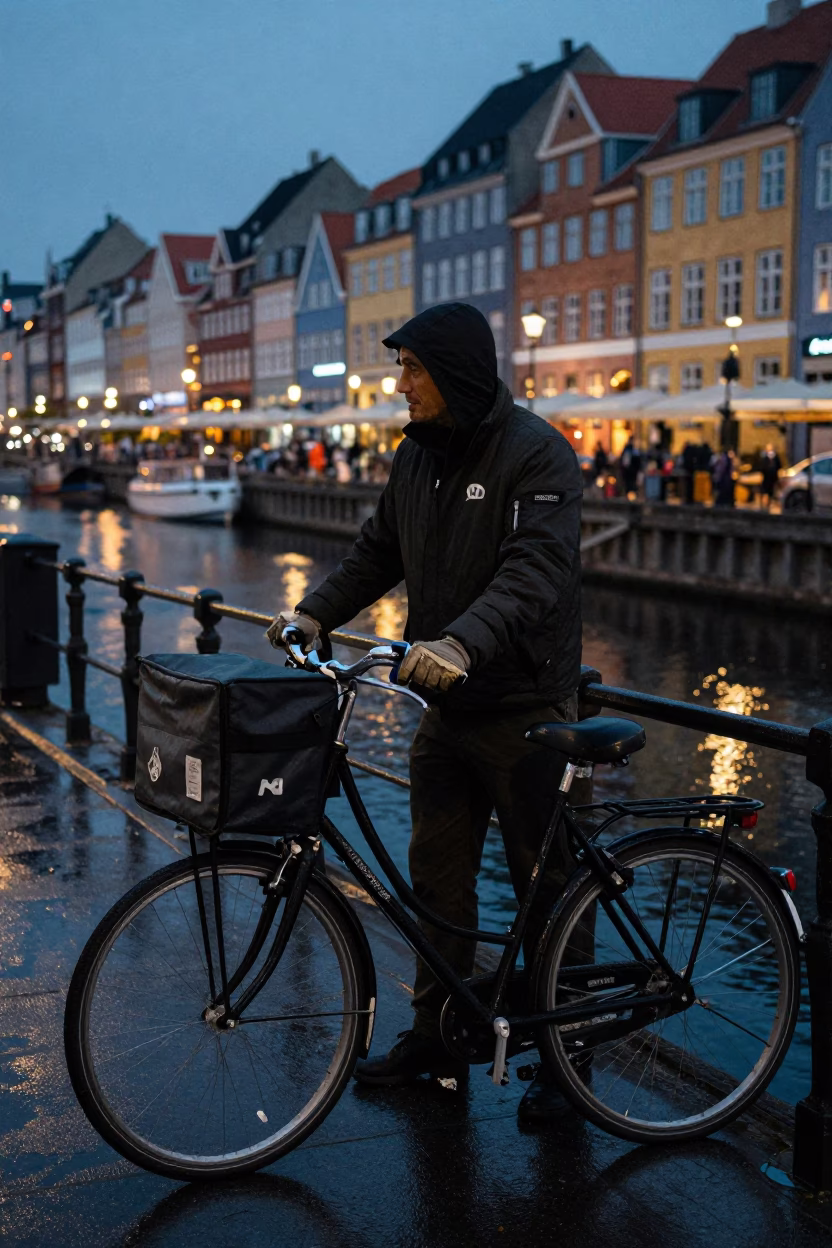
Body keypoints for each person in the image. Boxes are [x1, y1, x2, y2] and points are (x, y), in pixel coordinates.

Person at [268, 302, 584, 1125]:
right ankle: (436, 1037)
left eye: (411, 369)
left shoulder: (537, 454)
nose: (398, 382)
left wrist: (461, 642)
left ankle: (566, 1061)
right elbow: (378, 550)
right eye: (398, 366)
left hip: (526, 709)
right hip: (443, 707)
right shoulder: (418, 457)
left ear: (453, 374)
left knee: (545, 888)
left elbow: (532, 572)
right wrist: (315, 612)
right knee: (435, 879)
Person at [760, 443, 782, 509]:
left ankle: (770, 503)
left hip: (773, 477)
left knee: (772, 491)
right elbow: (762, 466)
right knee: (765, 491)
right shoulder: (764, 458)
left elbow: (779, 466)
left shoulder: (776, 457)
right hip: (766, 477)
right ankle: (765, 504)